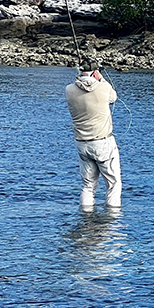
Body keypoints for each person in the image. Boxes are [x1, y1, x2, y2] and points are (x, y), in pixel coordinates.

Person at [65, 60, 122, 208]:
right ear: (95, 72)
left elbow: (80, 84)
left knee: (88, 186)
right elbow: (113, 97)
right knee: (113, 184)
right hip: (103, 143)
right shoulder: (104, 87)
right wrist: (101, 78)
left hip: (82, 143)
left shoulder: (69, 90)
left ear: (79, 71)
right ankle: (112, 219)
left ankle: (86, 218)